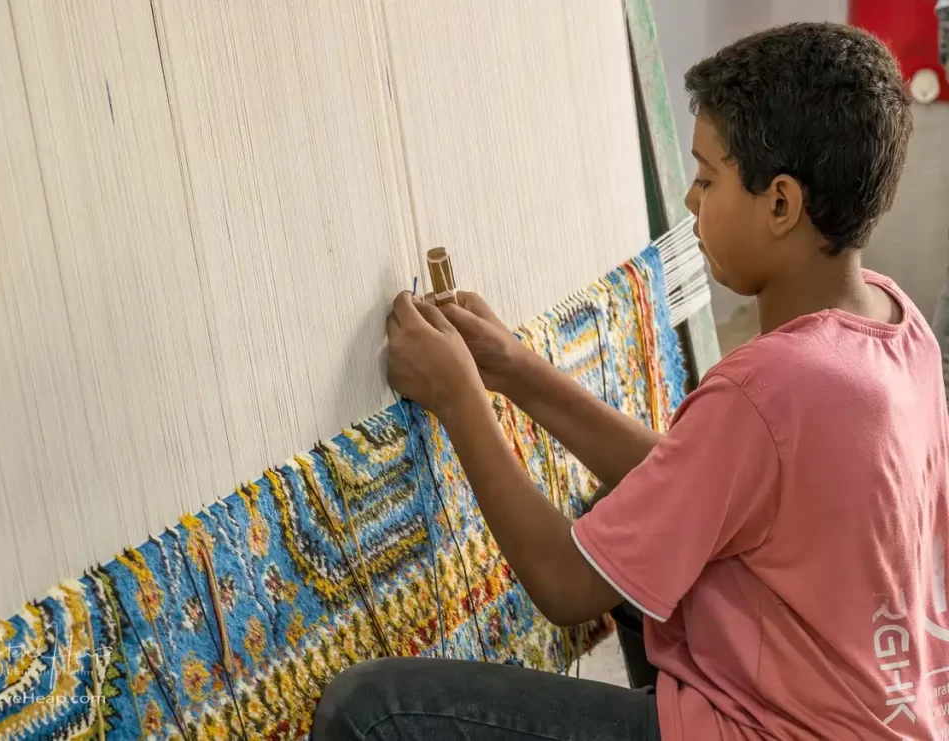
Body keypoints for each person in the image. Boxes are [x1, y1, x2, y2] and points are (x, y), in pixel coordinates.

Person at [313, 22, 949, 741]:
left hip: (768, 728)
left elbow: (564, 584)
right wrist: (515, 370)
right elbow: (693, 479)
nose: (687, 199)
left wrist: (459, 396)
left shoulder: (769, 385)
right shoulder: (899, 330)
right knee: (628, 512)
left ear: (780, 204)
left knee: (369, 712)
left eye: (707, 178)